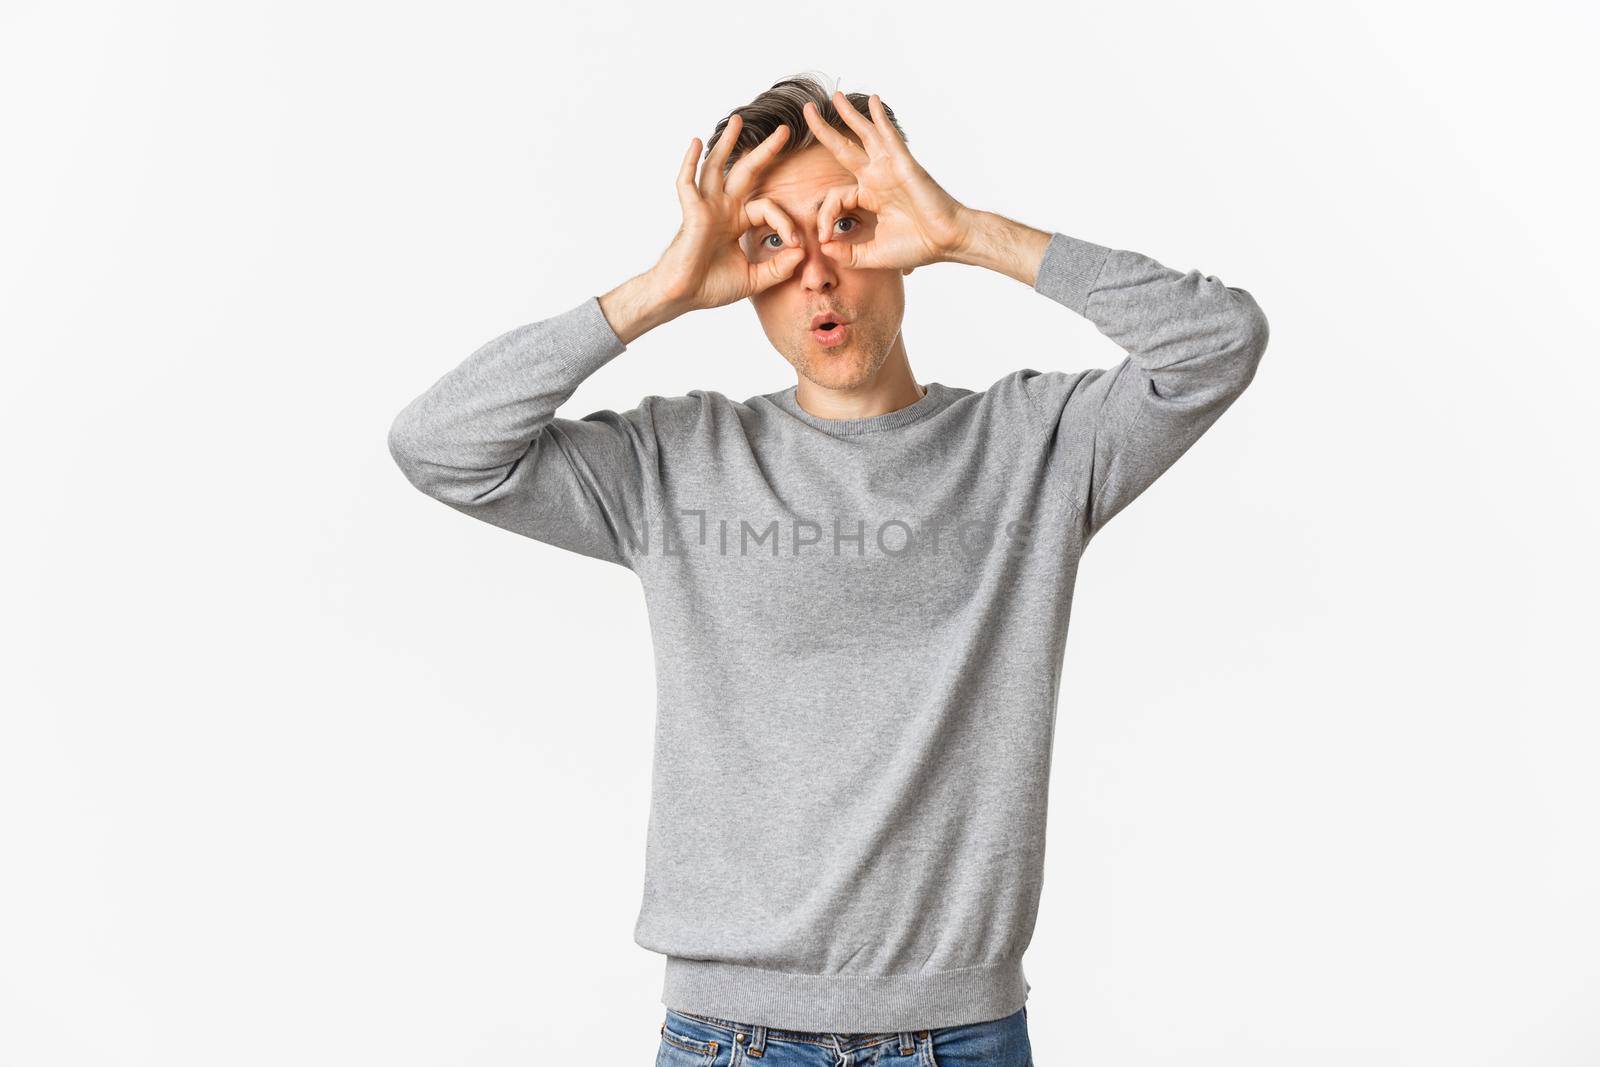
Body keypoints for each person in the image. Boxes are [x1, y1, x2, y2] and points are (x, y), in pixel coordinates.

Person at [387, 72, 1270, 1065]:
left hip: (961, 1031)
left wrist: (969, 231)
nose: (815, 271)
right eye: (771, 241)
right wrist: (660, 289)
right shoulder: (677, 462)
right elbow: (440, 446)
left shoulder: (1035, 447)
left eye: (846, 224)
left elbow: (1218, 343)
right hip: (731, 1034)